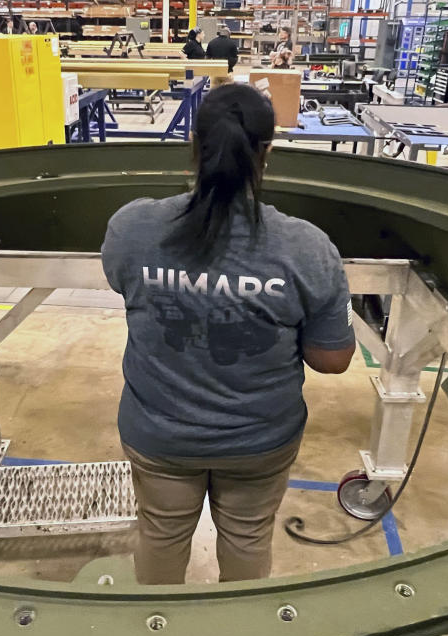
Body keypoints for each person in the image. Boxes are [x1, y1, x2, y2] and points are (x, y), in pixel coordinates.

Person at [101, 84, 356, 585]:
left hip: (160, 434)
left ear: (194, 147)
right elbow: (333, 359)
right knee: (247, 539)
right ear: (268, 152)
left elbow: (122, 284)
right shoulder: (307, 248)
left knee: (160, 534)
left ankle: (156, 623)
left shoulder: (132, 227)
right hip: (258, 440)